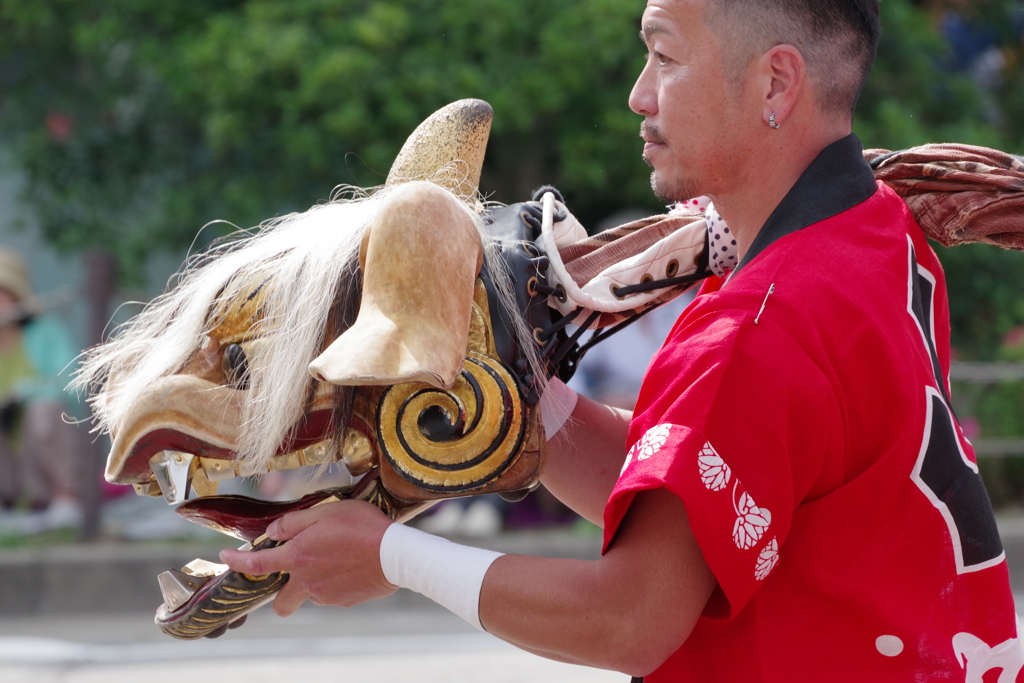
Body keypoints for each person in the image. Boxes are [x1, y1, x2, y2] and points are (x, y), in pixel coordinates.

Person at [221, 1, 1021, 679]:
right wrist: (519, 399)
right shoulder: (874, 227)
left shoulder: (761, 324)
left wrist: (393, 555)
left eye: (664, 59)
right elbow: (693, 503)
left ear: (776, 81)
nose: (639, 96)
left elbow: (632, 616)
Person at [0, 249, 83, 531]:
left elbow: (73, 383)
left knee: (44, 410)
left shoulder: (46, 332)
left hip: (42, 444)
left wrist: (24, 391)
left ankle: (65, 499)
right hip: (9, 462)